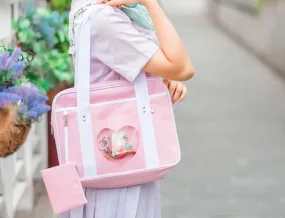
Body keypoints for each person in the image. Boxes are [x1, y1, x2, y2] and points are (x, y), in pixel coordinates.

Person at [62, 0, 195, 217]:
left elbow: (114, 69)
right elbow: (183, 67)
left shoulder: (85, 9)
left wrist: (157, 78)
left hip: (105, 158)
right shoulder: (105, 19)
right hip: (121, 166)